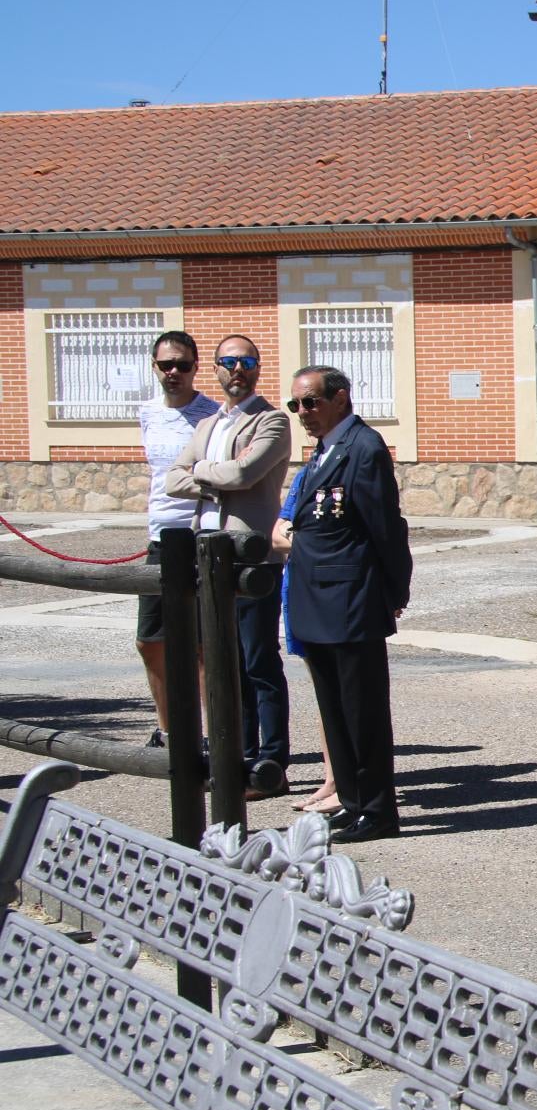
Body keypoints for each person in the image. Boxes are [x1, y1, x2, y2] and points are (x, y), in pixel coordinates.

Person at [284, 365, 412, 844]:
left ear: (340, 398)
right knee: (334, 710)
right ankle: (354, 801)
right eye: (295, 404)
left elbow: (384, 526)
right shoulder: (323, 451)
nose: (303, 413)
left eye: (311, 402)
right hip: (316, 599)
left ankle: (378, 809)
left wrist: (394, 589)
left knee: (363, 712)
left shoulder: (363, 447)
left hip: (350, 599)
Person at [166, 335, 291, 794]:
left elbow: (244, 474)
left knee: (258, 661)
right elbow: (171, 479)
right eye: (227, 362)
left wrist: (201, 473)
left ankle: (271, 764)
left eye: (246, 361)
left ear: (257, 368)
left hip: (251, 557)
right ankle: (233, 758)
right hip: (209, 555)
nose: (237, 369)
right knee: (226, 663)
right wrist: (210, 477)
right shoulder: (210, 424)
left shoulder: (272, 421)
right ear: (214, 369)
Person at [135, 331, 217, 747]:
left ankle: (205, 737)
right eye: (166, 365)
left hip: (199, 536)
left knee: (202, 646)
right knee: (151, 641)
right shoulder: (147, 412)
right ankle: (168, 731)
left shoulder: (212, 415)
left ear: (195, 367)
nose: (174, 373)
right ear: (155, 367)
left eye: (182, 365)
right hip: (159, 539)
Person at [269, 467, 339, 814]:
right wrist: (313, 541)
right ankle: (332, 778)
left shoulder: (347, 474)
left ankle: (347, 782)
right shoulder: (304, 477)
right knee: (323, 692)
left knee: (344, 695)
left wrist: (306, 541)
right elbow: (279, 534)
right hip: (299, 588)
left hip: (333, 594)